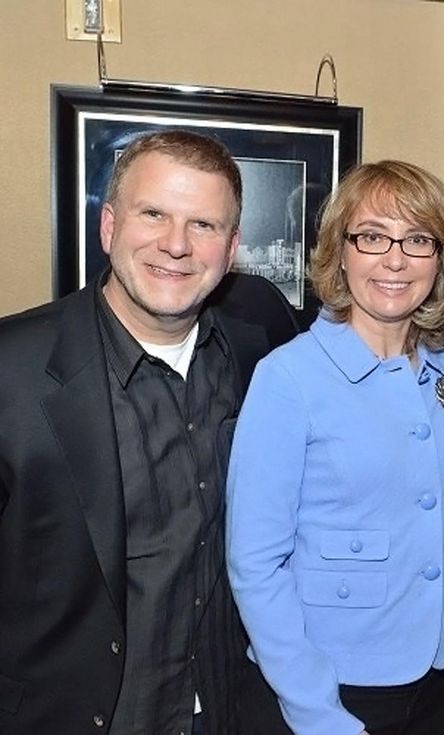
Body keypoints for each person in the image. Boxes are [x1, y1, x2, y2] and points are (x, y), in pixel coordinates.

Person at [0, 130, 297, 734]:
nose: (176, 245)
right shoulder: (13, 371)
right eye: (154, 214)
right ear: (109, 226)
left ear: (233, 245)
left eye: (205, 225)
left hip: (226, 710)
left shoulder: (258, 340)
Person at [226, 160, 444, 735]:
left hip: (437, 674)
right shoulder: (288, 378)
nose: (395, 259)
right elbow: (255, 563)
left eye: (417, 239)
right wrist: (315, 711)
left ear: (439, 259)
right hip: (330, 686)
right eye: (372, 237)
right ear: (340, 252)